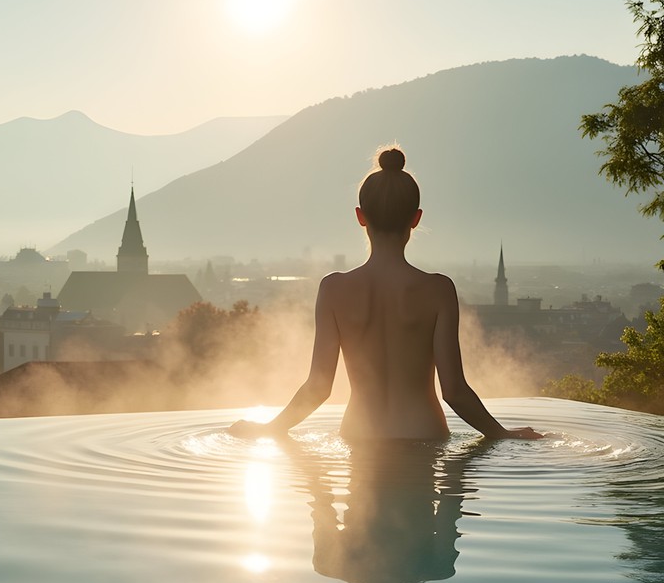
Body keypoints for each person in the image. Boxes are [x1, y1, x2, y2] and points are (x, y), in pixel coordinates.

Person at [230, 146, 540, 441]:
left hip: (360, 436)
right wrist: (501, 433)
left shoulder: (333, 289)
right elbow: (454, 391)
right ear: (416, 219)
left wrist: (270, 429)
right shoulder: (439, 290)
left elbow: (318, 387)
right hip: (426, 434)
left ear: (360, 216)